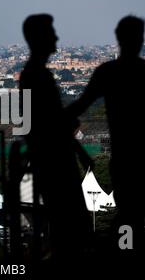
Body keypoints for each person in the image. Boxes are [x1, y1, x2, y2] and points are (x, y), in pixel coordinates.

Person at [66, 16, 145, 259]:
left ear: (118, 38)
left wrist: (52, 119)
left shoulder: (108, 72)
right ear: (141, 40)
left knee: (128, 214)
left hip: (124, 158)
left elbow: (80, 104)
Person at [19, 14, 91, 258]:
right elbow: (49, 123)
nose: (56, 37)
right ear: (38, 38)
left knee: (66, 225)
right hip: (55, 161)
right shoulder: (37, 75)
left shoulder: (34, 74)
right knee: (70, 225)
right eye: (51, 32)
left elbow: (45, 122)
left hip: (52, 159)